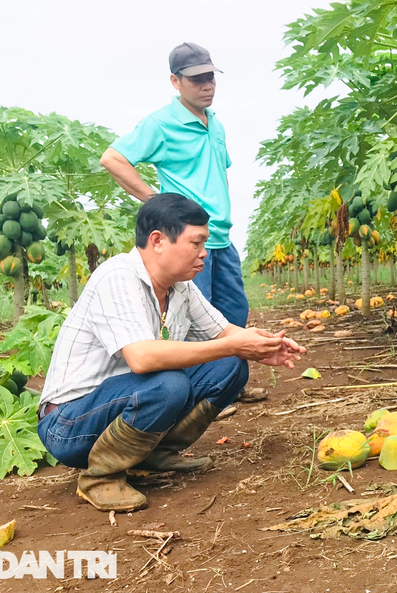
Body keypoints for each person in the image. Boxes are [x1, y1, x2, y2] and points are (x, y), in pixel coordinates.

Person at [37, 194, 305, 513]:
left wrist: (264, 345)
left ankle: (152, 454)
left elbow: (224, 333)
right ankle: (100, 477)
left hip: (126, 402)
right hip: (69, 425)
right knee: (169, 384)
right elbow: (143, 358)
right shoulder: (118, 277)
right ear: (158, 241)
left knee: (231, 365)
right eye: (196, 243)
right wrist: (233, 344)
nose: (204, 253)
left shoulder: (181, 287)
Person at [99, 42, 265, 402]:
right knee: (189, 323)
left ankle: (228, 387)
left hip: (220, 236)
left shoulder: (215, 125)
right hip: (185, 239)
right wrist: (154, 201)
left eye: (211, 78)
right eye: (196, 79)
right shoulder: (161, 124)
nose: (207, 85)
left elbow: (218, 172)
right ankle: (191, 396)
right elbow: (113, 158)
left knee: (233, 313)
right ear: (175, 81)